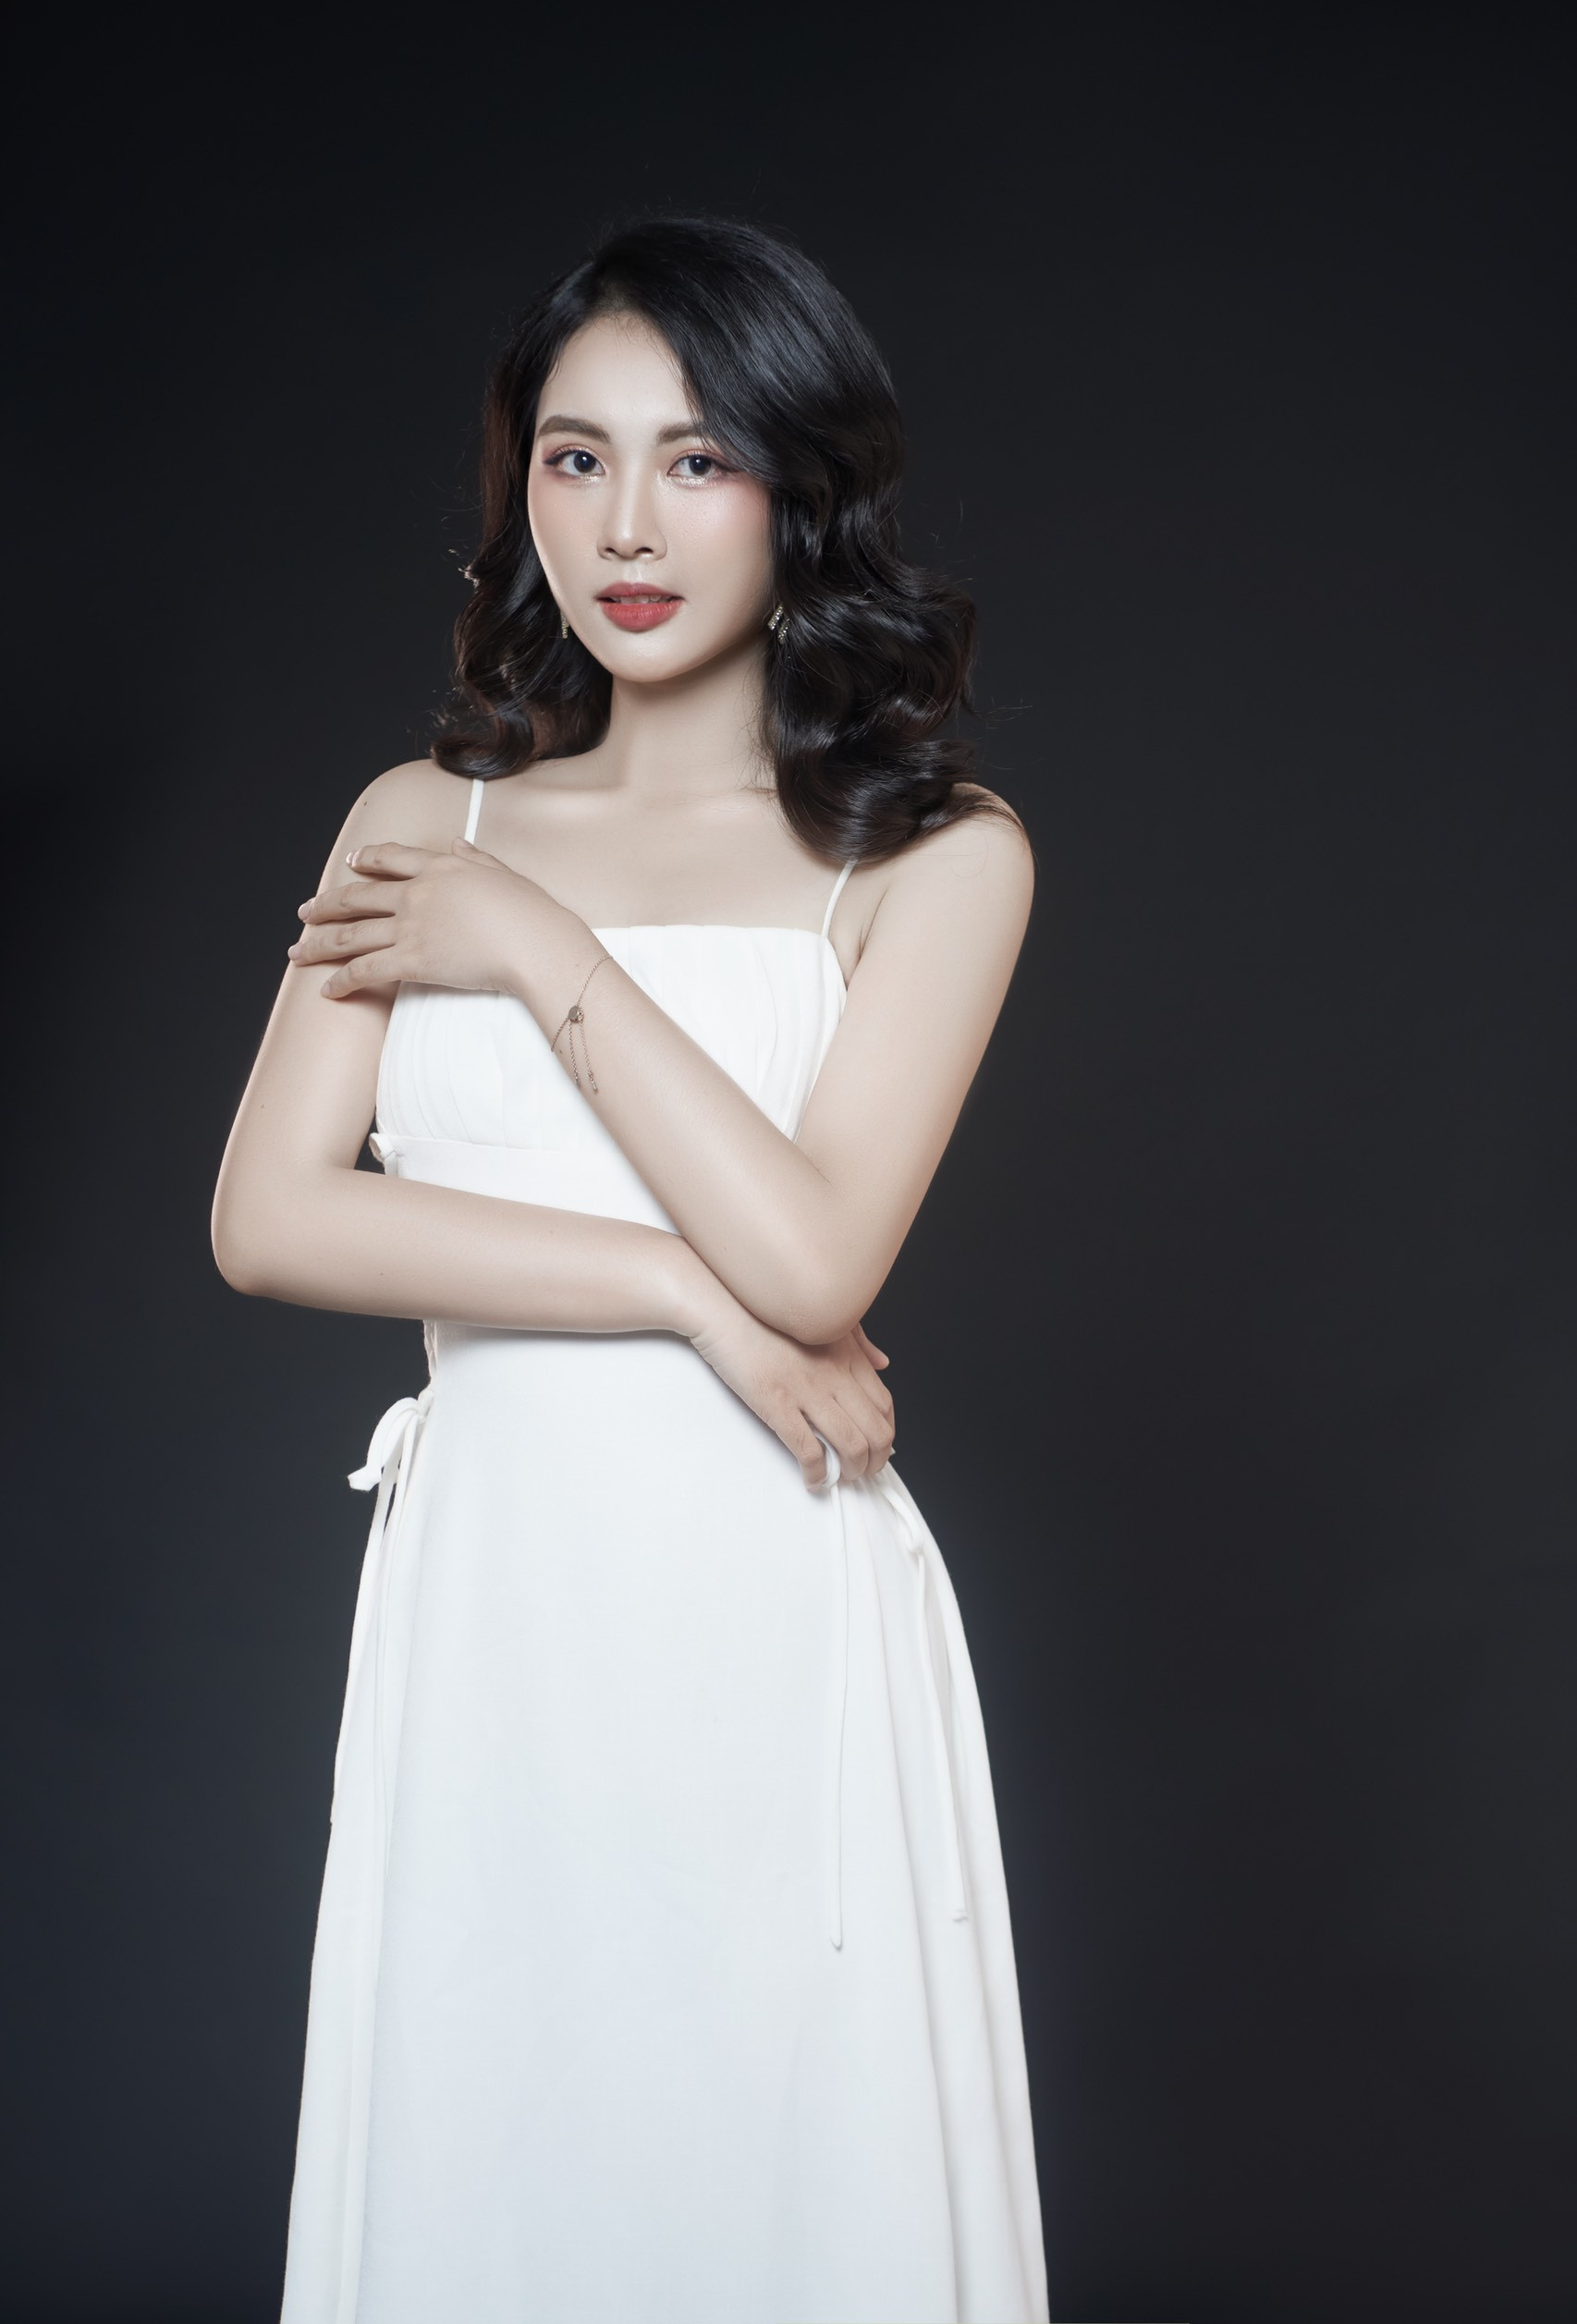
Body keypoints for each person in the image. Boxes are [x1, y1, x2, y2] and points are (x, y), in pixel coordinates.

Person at [214, 214, 1048, 2323]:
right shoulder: (418, 816)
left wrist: (533, 946)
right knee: (501, 2151)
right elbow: (272, 1218)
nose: (624, 524)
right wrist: (679, 1297)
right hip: (496, 1604)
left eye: (697, 459)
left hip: (764, 1601)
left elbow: (818, 1254)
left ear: (798, 486)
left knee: (775, 2167)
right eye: (574, 459)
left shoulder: (937, 854)